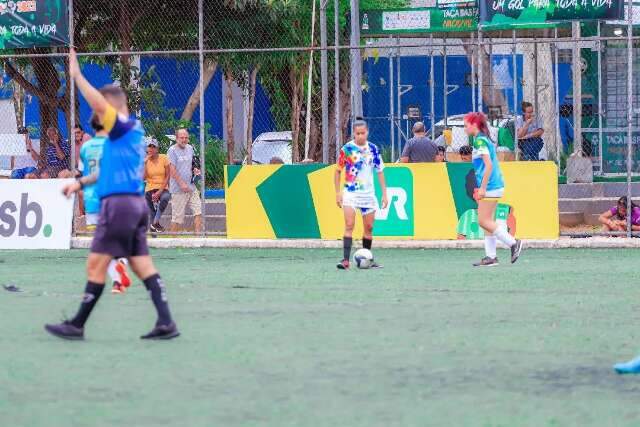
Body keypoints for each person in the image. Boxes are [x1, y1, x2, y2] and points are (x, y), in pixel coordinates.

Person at [45, 49, 179, 340]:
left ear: (110, 109)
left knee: (96, 264)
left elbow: (97, 103)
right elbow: (104, 173)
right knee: (142, 264)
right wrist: (78, 184)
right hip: (130, 206)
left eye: (100, 112)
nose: (98, 117)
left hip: (118, 207)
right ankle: (166, 322)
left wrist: (77, 75)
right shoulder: (126, 134)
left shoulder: (123, 127)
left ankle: (77, 325)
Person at [79, 114, 132, 294]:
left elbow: (82, 173)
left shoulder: (85, 147)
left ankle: (117, 283)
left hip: (92, 200)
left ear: (93, 127)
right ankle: (122, 263)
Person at [464, 111, 523, 267]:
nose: (464, 128)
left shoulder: (480, 142)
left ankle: (513, 243)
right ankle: (491, 257)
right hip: (494, 185)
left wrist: (482, 188)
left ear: (474, 125)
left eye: (466, 125)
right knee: (487, 222)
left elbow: (488, 165)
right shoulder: (482, 140)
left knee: (483, 220)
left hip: (490, 186)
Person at [334, 118, 388, 270]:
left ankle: (368, 258)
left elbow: (380, 171)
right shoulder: (347, 149)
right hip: (351, 193)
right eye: (357, 133)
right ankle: (345, 260)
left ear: (367, 133)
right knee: (349, 224)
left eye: (363, 133)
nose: (360, 136)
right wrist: (338, 193)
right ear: (354, 134)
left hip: (368, 195)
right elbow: (337, 171)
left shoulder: (373, 149)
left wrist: (384, 194)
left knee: (369, 227)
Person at [168, 128, 202, 233]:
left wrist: (195, 170)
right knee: (177, 219)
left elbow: (192, 164)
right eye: (182, 138)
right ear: (177, 138)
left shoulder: (190, 148)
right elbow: (172, 169)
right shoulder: (172, 151)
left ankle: (198, 240)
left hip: (191, 187)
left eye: (186, 137)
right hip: (178, 189)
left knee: (198, 212)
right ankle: (173, 242)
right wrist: (182, 184)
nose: (184, 140)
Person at [144, 138, 171, 232]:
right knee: (151, 210)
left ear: (157, 149)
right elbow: (143, 178)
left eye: (153, 146)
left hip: (162, 188)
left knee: (165, 197)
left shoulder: (163, 158)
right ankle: (155, 224)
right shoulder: (144, 161)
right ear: (146, 149)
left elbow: (168, 175)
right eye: (149, 146)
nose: (151, 149)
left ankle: (155, 222)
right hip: (149, 189)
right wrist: (144, 163)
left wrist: (159, 192)